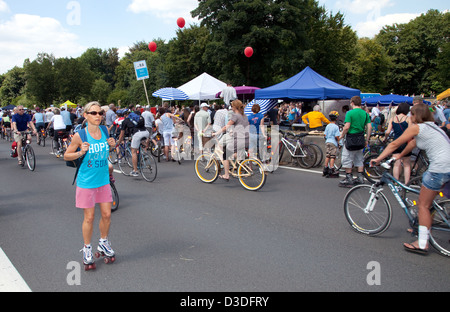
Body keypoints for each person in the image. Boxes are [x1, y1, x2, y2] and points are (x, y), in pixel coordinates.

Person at [371, 104, 450, 254]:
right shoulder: (434, 127)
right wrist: (400, 156)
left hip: (439, 168)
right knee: (428, 202)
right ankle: (424, 226)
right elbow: (413, 143)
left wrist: (379, 158)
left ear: (416, 116)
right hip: (447, 167)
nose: (410, 117)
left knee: (423, 205)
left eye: (412, 115)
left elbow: (395, 143)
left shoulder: (417, 127)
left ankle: (422, 243)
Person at [64, 101, 116, 269]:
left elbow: (105, 151)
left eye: (100, 113)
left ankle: (103, 242)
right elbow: (66, 155)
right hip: (86, 182)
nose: (98, 116)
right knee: (90, 217)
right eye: (94, 113)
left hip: (103, 180)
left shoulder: (104, 130)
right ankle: (87, 248)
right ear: (85, 115)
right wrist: (80, 152)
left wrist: (112, 146)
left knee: (107, 215)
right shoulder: (80, 135)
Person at [338, 96, 372, 187]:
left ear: (352, 103)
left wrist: (341, 135)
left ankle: (349, 178)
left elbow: (347, 127)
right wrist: (367, 140)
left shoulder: (350, 113)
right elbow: (369, 127)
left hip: (351, 138)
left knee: (347, 158)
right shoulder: (365, 114)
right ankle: (360, 178)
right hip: (361, 138)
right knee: (359, 158)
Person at [213, 100, 249, 181]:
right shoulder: (244, 116)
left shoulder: (235, 116)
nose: (231, 108)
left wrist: (216, 133)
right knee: (233, 153)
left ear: (234, 107)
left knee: (225, 155)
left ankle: (226, 175)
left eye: (232, 106)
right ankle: (237, 164)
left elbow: (226, 127)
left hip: (239, 140)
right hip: (247, 139)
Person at [384, 102, 412, 185]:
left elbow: (388, 132)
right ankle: (407, 184)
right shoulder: (408, 118)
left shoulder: (393, 119)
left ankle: (396, 183)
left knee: (396, 164)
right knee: (406, 164)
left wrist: (385, 138)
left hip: (396, 142)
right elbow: (410, 131)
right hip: (406, 142)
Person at [116, 109, 149, 176]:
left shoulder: (125, 121)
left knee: (133, 151)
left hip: (137, 134)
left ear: (125, 115)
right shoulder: (139, 118)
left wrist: (119, 142)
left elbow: (122, 134)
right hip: (146, 132)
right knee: (139, 144)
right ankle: (144, 154)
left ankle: (135, 171)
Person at [323, 111, 341, 178]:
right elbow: (337, 136)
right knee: (332, 156)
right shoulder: (336, 127)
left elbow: (325, 135)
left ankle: (325, 168)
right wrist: (339, 143)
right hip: (333, 142)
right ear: (336, 118)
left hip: (327, 141)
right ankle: (331, 169)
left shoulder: (328, 125)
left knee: (327, 155)